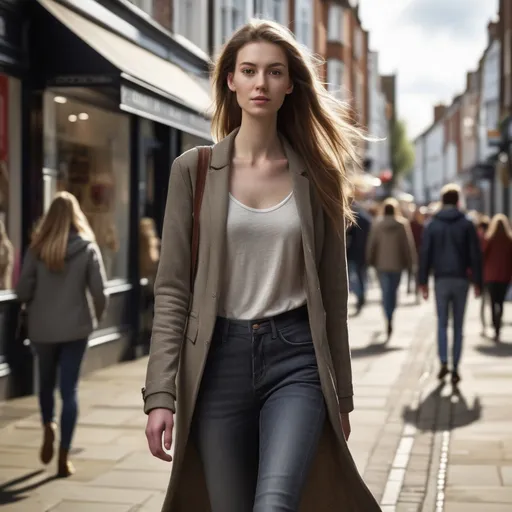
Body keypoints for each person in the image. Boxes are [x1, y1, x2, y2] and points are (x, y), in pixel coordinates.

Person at [142, 19, 380, 512]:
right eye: (248, 70)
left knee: (274, 504)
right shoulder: (194, 170)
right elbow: (172, 292)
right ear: (230, 79)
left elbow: (335, 296)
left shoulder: (318, 176)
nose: (260, 83)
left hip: (297, 360)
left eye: (274, 72)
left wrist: (343, 395)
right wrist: (161, 394)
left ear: (290, 83)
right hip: (216, 362)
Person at [16, 192, 108, 477]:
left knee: (45, 384)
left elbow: (21, 291)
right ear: (75, 215)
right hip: (76, 329)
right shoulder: (87, 248)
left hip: (42, 329)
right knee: (69, 391)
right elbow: (100, 292)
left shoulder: (37, 249)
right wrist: (96, 317)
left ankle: (48, 425)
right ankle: (64, 457)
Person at [418, 184, 482, 385]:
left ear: (442, 201)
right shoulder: (467, 223)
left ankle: (443, 360)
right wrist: (478, 282)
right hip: (461, 279)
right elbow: (475, 255)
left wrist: (422, 282)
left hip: (441, 280)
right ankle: (455, 366)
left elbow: (425, 254)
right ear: (457, 201)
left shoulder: (432, 224)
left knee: (442, 323)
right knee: (459, 325)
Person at [366, 198, 416, 338]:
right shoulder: (402, 224)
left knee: (385, 292)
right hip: (397, 264)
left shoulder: (377, 224)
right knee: (393, 292)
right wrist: (411, 263)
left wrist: (369, 260)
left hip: (381, 265)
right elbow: (408, 245)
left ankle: (387, 316)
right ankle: (391, 314)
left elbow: (372, 244)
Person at [482, 214, 512, 342]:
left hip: (491, 276)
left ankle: (495, 326)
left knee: (493, 302)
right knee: (500, 302)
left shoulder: (489, 238)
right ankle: (498, 324)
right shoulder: (509, 240)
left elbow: (483, 255)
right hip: (504, 275)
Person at [346, 192, 372, 314]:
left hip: (353, 252)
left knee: (354, 277)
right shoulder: (367, 219)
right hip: (364, 252)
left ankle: (360, 295)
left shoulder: (352, 218)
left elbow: (347, 236)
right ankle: (362, 294)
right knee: (362, 276)